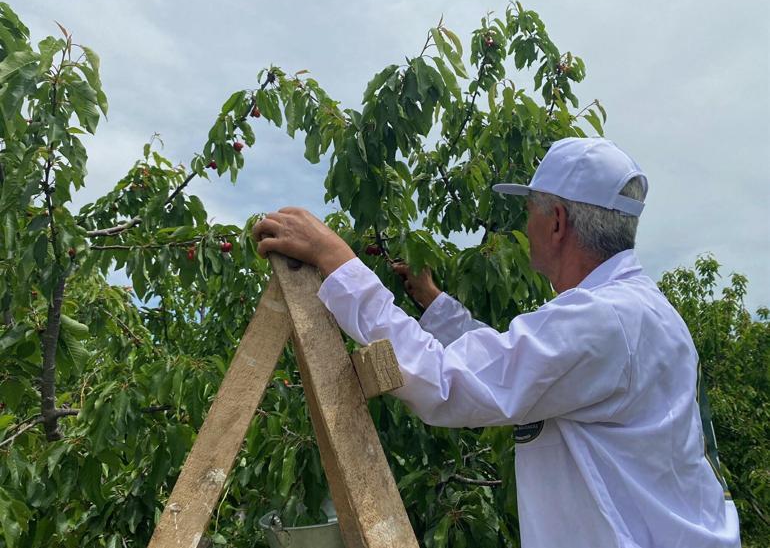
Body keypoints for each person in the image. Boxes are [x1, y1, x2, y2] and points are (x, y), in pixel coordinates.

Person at [253, 137, 741, 548]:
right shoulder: (636, 311)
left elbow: (447, 383)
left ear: (557, 222)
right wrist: (434, 303)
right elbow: (514, 367)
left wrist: (339, 263)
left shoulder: (601, 319)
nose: (525, 226)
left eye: (530, 211)